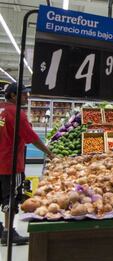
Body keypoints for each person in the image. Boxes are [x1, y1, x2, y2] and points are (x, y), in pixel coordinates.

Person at [0, 83, 54, 245]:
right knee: (12, 198)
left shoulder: (2, 110)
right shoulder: (17, 114)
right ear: (13, 96)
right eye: (24, 94)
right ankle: (9, 233)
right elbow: (32, 138)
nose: (26, 97)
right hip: (11, 163)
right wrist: (50, 153)